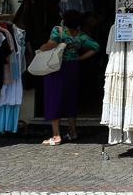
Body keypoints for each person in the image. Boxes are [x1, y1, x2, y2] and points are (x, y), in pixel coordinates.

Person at [40, 10, 100, 145]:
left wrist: (41, 48)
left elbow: (51, 44)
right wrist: (80, 58)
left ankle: (56, 135)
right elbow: (96, 47)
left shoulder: (58, 31)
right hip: (73, 68)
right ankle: (73, 131)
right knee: (70, 98)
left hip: (57, 67)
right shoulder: (81, 36)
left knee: (54, 98)